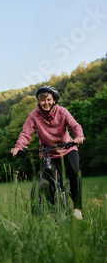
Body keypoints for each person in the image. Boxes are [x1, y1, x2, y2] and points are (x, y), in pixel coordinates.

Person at [10, 85, 85, 219]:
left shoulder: (62, 111)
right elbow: (26, 133)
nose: (46, 102)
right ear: (38, 101)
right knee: (48, 178)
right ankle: (52, 210)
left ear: (54, 100)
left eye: (49, 99)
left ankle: (77, 209)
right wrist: (19, 146)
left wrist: (79, 136)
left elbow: (74, 125)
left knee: (75, 170)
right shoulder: (34, 115)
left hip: (67, 149)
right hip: (48, 152)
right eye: (42, 100)